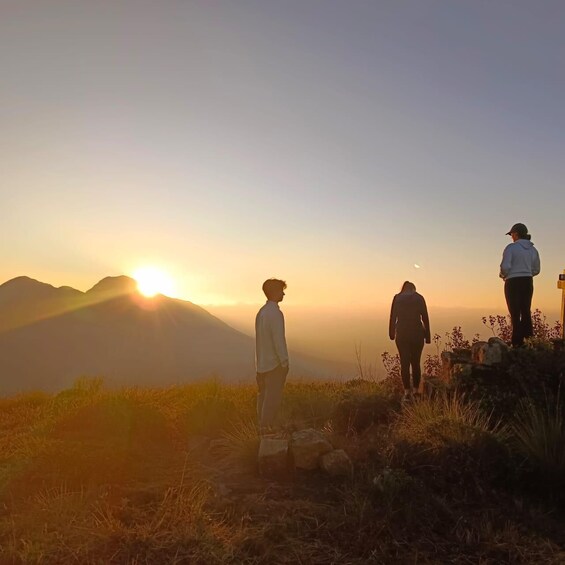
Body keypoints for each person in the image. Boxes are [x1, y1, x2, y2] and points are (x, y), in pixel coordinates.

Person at [255, 278, 289, 433]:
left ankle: (262, 427)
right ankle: (267, 430)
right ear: (275, 292)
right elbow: (279, 340)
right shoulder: (275, 313)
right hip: (274, 364)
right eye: (281, 290)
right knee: (272, 399)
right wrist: (284, 362)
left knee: (263, 397)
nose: (283, 293)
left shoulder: (261, 312)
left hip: (261, 364)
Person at [500, 222, 541, 347]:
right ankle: (529, 341)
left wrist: (504, 275)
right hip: (528, 281)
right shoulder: (533, 250)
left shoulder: (511, 248)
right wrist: (527, 273)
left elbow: (505, 266)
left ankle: (517, 343)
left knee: (515, 312)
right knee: (526, 310)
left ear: (516, 234)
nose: (511, 237)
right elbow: (536, 269)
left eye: (511, 234)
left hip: (512, 282)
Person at [389, 281, 431, 402]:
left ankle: (407, 392)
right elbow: (425, 317)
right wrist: (427, 336)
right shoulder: (419, 298)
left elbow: (393, 317)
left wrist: (391, 334)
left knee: (404, 363)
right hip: (417, 334)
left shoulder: (397, 298)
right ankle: (416, 391)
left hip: (402, 334)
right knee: (416, 362)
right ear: (413, 289)